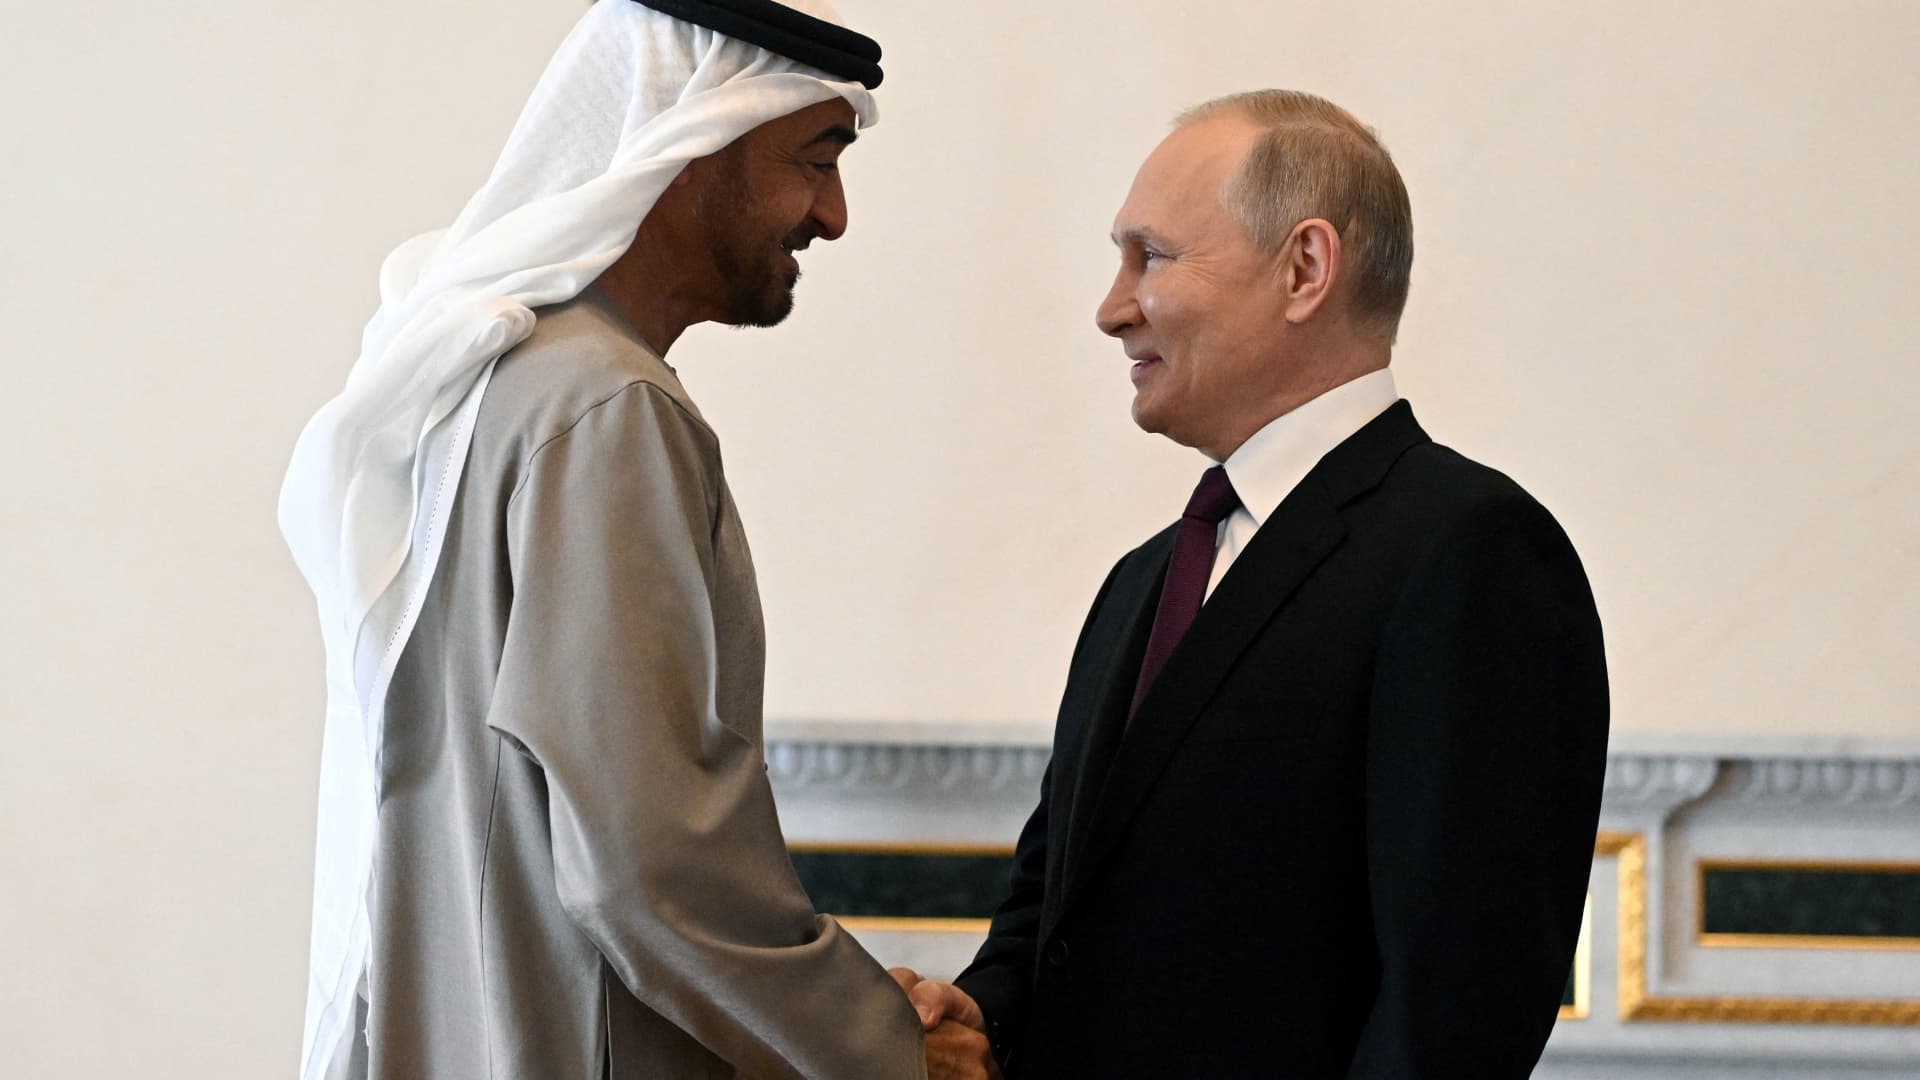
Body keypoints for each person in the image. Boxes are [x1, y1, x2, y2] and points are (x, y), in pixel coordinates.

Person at [893, 90, 1610, 1078]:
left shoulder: (1471, 551)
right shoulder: (1143, 581)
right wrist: (978, 1017)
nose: (1111, 308)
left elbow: (1455, 1009)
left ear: (1305, 268)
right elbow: (1057, 918)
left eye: (1152, 256)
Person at [277, 2, 927, 1077]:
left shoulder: (494, 380)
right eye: (816, 161)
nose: (833, 215)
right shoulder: (606, 406)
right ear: (694, 142)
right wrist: (885, 1047)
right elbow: (652, 863)